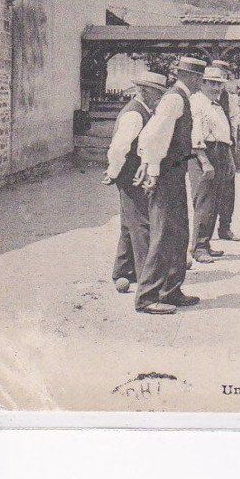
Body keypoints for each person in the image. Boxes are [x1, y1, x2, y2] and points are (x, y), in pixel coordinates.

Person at [133, 56, 205, 314]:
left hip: (175, 172)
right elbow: (153, 136)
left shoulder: (181, 98)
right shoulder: (175, 98)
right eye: (200, 78)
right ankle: (146, 297)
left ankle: (171, 291)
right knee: (163, 234)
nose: (201, 83)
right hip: (164, 174)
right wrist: (151, 169)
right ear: (192, 77)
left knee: (178, 233)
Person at [102, 71, 167, 291]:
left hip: (133, 171)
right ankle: (146, 276)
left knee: (129, 222)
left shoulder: (146, 110)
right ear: (145, 91)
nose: (159, 98)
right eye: (157, 93)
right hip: (130, 173)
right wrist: (113, 172)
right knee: (141, 223)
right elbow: (119, 147)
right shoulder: (134, 114)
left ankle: (123, 270)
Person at [188, 66, 233, 264]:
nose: (217, 87)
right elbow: (195, 133)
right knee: (204, 202)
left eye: (219, 84)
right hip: (204, 153)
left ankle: (205, 244)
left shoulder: (215, 103)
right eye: (212, 83)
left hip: (220, 152)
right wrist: (204, 161)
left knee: (215, 201)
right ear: (202, 83)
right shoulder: (197, 102)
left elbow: (223, 133)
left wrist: (228, 156)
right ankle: (198, 248)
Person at [211, 60, 240, 242]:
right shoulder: (201, 96)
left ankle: (225, 227)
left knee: (228, 188)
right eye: (217, 75)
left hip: (226, 146)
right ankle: (202, 235)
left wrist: (233, 146)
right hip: (206, 147)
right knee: (207, 191)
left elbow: (234, 122)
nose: (220, 79)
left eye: (223, 75)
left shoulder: (230, 97)